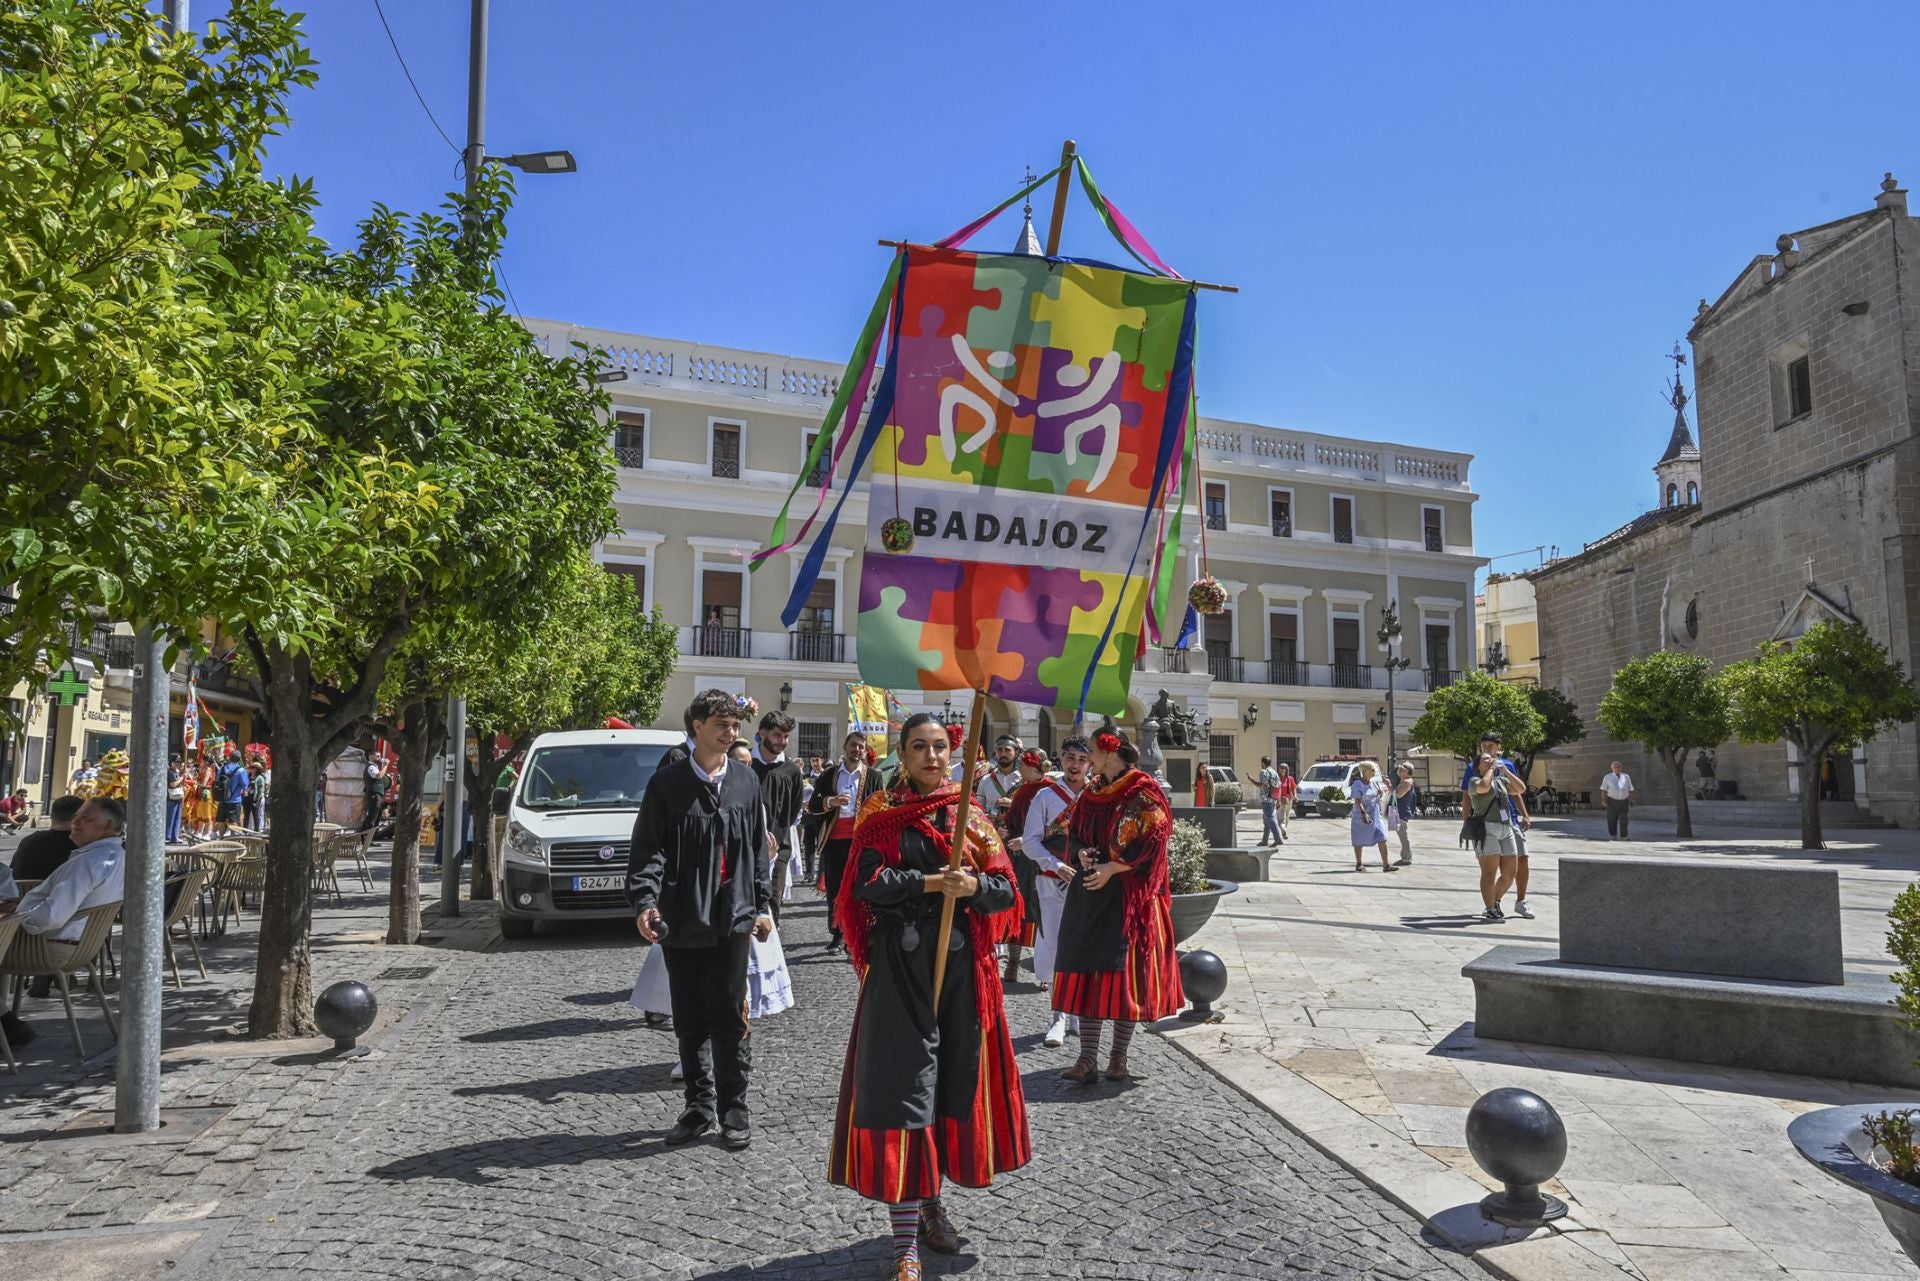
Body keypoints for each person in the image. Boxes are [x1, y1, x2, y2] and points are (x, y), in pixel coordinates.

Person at [828, 713, 1029, 1279]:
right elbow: (864, 883)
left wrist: (973, 886)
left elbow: (1007, 892)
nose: (932, 756)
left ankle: (934, 1204)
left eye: (940, 747)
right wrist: (932, 882)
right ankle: (905, 1244)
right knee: (903, 1095)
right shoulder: (880, 815)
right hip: (900, 974)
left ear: (951, 752)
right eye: (920, 747)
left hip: (964, 976)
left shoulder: (974, 818)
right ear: (903, 752)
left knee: (949, 1091)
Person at [626, 689, 773, 1151]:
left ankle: (734, 1108)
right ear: (697, 727)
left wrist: (763, 906)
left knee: (731, 1015)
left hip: (735, 917)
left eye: (735, 726)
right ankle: (698, 1106)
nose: (731, 733)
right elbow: (648, 849)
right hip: (683, 916)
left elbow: (756, 850)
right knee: (688, 1017)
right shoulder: (667, 784)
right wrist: (646, 902)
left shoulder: (747, 782)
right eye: (721, 725)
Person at [1051, 729, 1184, 1084]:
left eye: (1092, 751)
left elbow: (1154, 845)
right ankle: (1087, 1059)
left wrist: (1113, 867)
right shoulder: (1092, 792)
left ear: (1111, 753)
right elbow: (1076, 832)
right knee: (1089, 973)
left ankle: (1118, 1058)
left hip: (1129, 900)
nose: (1088, 758)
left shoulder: (1143, 792)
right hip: (1091, 896)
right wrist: (1080, 851)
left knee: (1125, 979)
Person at [4, 797, 128, 1042]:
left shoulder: (89, 863)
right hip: (82, 947)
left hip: (51, 948)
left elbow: (51, 917)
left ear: (108, 826)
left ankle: (6, 1024)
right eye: (77, 816)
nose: (76, 823)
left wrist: (16, 918)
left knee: (2, 939)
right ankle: (6, 1022)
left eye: (86, 819)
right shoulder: (117, 856)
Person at [1026, 737, 1089, 1047]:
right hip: (1052, 881)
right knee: (1054, 943)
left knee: (1081, 946)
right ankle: (1058, 1016)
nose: (1074, 764)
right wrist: (1054, 864)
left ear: (1090, 763)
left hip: (1089, 884)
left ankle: (1077, 1011)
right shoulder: (1045, 797)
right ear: (1061, 760)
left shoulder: (1096, 796)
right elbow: (1029, 841)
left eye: (1081, 758)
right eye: (1069, 757)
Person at [809, 732, 880, 953]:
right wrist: (832, 801)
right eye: (853, 745)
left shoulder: (874, 776)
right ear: (844, 747)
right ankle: (837, 934)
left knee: (860, 889)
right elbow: (813, 804)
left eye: (860, 746)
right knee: (835, 890)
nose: (856, 750)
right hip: (834, 841)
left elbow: (881, 805)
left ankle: (857, 934)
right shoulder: (830, 774)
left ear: (865, 750)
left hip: (861, 842)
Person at [1464, 732, 1533, 917]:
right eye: (1484, 757)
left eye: (1490, 749)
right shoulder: (1474, 779)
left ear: (1498, 747)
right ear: (1478, 765)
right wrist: (1490, 769)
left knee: (1511, 871)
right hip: (1486, 827)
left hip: (1507, 825)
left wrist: (1505, 771)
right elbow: (1484, 787)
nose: (1488, 757)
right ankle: (1490, 907)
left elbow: (1520, 789)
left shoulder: (1501, 776)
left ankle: (1494, 900)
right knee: (1489, 871)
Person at [996, 751, 1050, 983]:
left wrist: (1031, 840)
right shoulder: (1022, 789)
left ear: (1030, 767)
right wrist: (1006, 830)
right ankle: (1013, 964)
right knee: (1016, 908)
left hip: (1039, 860)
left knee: (1041, 913)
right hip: (1017, 857)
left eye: (1022, 764)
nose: (1019, 768)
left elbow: (1055, 826)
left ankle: (1045, 973)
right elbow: (1013, 819)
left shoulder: (1048, 791)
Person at [750, 711, 806, 926]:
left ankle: (768, 952)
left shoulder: (791, 770)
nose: (781, 741)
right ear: (762, 733)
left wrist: (776, 835)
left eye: (785, 737)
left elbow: (792, 811)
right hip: (745, 846)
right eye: (776, 735)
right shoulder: (745, 763)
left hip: (778, 847)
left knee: (772, 902)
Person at [11, 794, 83, 881]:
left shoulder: (29, 841)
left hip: (24, 893)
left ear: (52, 815)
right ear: (79, 818)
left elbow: (15, 871)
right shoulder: (81, 846)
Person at [1349, 760, 1393, 872]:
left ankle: (1386, 865)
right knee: (1359, 839)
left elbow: (1377, 796)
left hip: (1375, 814)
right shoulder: (1357, 784)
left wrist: (1380, 793)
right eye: (1372, 770)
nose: (1374, 772)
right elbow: (1357, 800)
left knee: (1382, 837)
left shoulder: (1373, 783)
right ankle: (1359, 863)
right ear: (1364, 771)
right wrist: (1364, 814)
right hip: (1361, 815)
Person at [973, 735, 1023, 811]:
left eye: (1007, 750)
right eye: (999, 750)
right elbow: (978, 809)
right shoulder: (985, 780)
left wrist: (1013, 804)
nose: (1003, 754)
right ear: (995, 753)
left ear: (1016, 752)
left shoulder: (1023, 780)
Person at [1249, 757, 1283, 848]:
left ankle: (1278, 838)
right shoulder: (1274, 772)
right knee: (1266, 820)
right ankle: (1265, 841)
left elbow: (1262, 786)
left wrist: (1251, 780)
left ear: (1263, 763)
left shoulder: (1263, 772)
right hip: (1273, 798)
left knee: (1270, 818)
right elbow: (1279, 786)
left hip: (1266, 799)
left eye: (1261, 762)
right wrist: (1278, 800)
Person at [216, 750, 250, 836]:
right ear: (239, 759)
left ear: (229, 758)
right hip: (235, 800)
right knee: (233, 821)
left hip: (222, 799)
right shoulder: (241, 770)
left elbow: (217, 780)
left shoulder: (222, 769)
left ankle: (221, 838)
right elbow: (245, 786)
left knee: (221, 820)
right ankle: (233, 839)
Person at [1392, 764, 1419, 865]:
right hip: (1399, 810)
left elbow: (1399, 795)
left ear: (1407, 771)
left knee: (1403, 834)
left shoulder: (1407, 782)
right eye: (1399, 770)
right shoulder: (1405, 781)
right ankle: (1406, 856)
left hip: (1401, 811)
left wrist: (1389, 788)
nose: (1399, 772)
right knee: (1402, 834)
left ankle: (1406, 858)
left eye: (1401, 770)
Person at [1601, 760, 1634, 841]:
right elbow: (1603, 790)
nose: (1617, 768)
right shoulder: (1607, 777)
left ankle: (1624, 836)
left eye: (1618, 767)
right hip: (1612, 801)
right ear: (1612, 768)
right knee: (1612, 819)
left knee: (1624, 820)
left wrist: (1631, 799)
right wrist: (1604, 801)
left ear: (1621, 768)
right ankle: (1613, 835)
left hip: (1624, 801)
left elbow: (1631, 789)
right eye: (1615, 767)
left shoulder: (1626, 776)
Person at [165, 755, 186, 843]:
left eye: (179, 762)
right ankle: (168, 836)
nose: (178, 764)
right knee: (170, 818)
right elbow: (173, 784)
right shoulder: (170, 772)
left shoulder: (176, 772)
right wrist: (182, 778)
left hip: (178, 797)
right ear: (171, 762)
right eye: (176, 762)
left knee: (177, 819)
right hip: (171, 798)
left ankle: (175, 836)